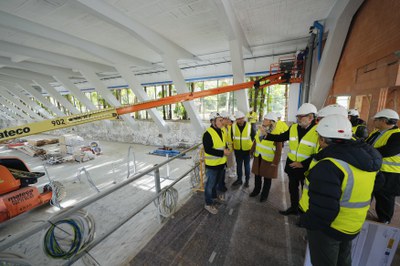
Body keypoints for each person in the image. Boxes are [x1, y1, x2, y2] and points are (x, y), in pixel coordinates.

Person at [299, 115, 382, 266]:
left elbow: (324, 210)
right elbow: (379, 184)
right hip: (351, 224)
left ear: (323, 140)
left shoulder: (329, 165)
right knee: (343, 260)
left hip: (329, 228)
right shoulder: (365, 160)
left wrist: (306, 221)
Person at [264, 103, 319, 215]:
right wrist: (267, 135)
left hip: (307, 169)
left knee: (306, 192)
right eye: (298, 117)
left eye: (301, 117)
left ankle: (304, 213)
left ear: (310, 117)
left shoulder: (318, 131)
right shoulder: (294, 127)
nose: (298, 119)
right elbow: (281, 137)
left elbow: (319, 154)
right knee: (292, 189)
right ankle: (294, 208)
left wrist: (303, 164)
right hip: (292, 166)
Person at [365, 108, 400, 224]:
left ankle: (384, 219)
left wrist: (367, 152)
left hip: (390, 173)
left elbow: (387, 151)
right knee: (368, 192)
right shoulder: (376, 133)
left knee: (385, 197)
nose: (374, 122)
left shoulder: (397, 135)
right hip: (374, 171)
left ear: (384, 120)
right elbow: (366, 145)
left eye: (376, 120)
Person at [250, 112, 283, 202]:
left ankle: (264, 195)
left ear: (271, 122)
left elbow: (279, 149)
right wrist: (251, 151)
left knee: (267, 178)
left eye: (266, 119)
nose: (263, 120)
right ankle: (256, 190)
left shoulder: (276, 132)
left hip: (268, 159)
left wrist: (275, 162)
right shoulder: (260, 129)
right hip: (258, 156)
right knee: (257, 175)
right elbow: (256, 141)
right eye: (264, 119)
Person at [202, 112, 230, 214]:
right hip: (212, 165)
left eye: (222, 120)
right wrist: (223, 152)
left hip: (221, 163)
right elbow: (208, 150)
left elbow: (224, 144)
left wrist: (227, 149)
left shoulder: (221, 131)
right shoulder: (207, 134)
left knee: (215, 184)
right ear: (213, 122)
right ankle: (208, 204)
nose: (222, 122)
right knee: (209, 185)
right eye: (220, 120)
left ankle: (214, 197)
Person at [231, 111, 256, 187]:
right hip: (237, 150)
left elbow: (254, 138)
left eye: (241, 118)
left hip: (247, 150)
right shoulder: (233, 126)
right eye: (238, 119)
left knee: (247, 166)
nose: (240, 120)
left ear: (244, 118)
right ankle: (239, 180)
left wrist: (253, 150)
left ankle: (247, 180)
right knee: (238, 166)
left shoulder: (249, 126)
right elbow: (231, 137)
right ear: (236, 119)